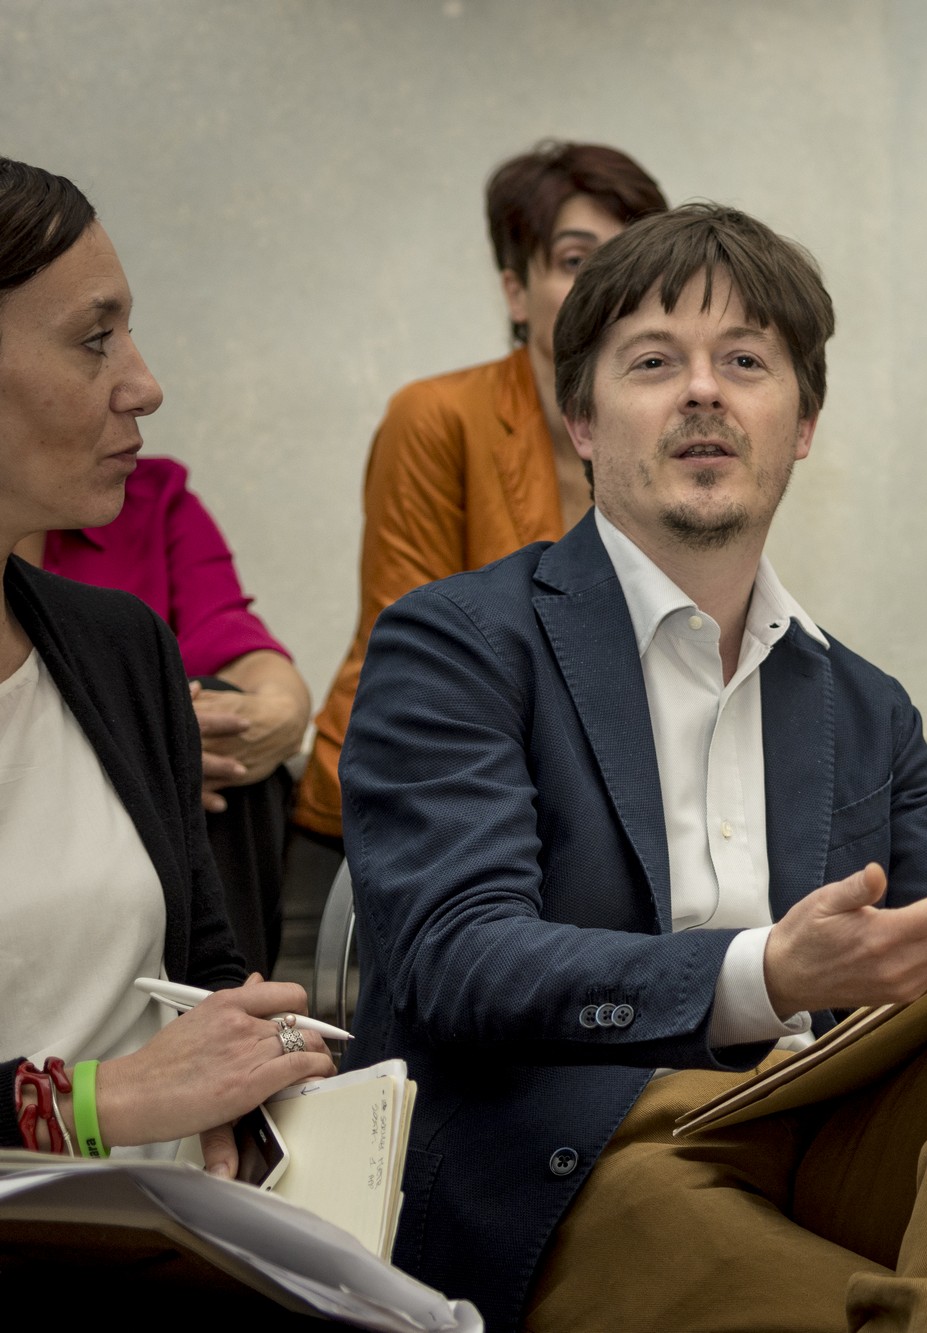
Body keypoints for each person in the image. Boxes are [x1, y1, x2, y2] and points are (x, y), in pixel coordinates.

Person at [340, 202, 927, 1333]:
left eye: (746, 361)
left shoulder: (864, 704)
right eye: (653, 362)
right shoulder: (461, 641)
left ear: (802, 422)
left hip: (827, 1145)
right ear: (582, 420)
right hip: (577, 1165)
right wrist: (765, 972)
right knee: (713, 1231)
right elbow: (455, 960)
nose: (702, 392)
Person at [0, 157, 335, 1170]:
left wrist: (246, 1065)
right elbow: (125, 1090)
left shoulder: (122, 648)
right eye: (95, 339)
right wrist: (91, 1101)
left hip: (164, 1223)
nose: (144, 384)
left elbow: (204, 969)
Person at [293, 140, 668, 847]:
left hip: (583, 823)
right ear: (516, 292)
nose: (612, 289)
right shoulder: (435, 417)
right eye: (576, 261)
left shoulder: (671, 436)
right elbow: (413, 668)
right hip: (407, 803)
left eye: (633, 263)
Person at [17, 455, 311, 973]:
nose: (143, 409)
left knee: (224, 727)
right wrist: (139, 759)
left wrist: (278, 716)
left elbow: (232, 636)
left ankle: (226, 995)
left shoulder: (148, 496)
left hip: (150, 852)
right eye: (93, 367)